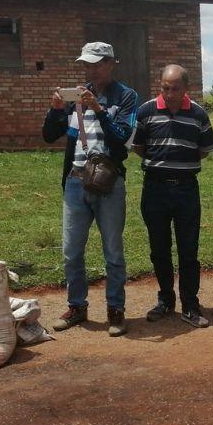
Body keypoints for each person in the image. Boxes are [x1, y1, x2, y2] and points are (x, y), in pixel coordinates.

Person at [42, 42, 138, 337]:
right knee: (71, 251)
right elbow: (49, 136)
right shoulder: (76, 97)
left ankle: (116, 310)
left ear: (111, 63)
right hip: (75, 181)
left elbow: (123, 141)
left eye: (97, 64)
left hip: (108, 182)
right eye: (87, 65)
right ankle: (77, 307)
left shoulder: (126, 97)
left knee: (113, 252)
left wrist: (100, 110)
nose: (91, 70)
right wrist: (56, 110)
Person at [133, 65, 213, 329]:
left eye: (175, 89)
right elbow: (138, 147)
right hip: (155, 189)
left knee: (188, 250)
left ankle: (190, 305)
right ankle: (166, 300)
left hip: (186, 190)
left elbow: (204, 150)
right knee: (159, 249)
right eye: (165, 88)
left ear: (186, 89)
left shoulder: (199, 114)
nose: (169, 94)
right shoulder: (146, 111)